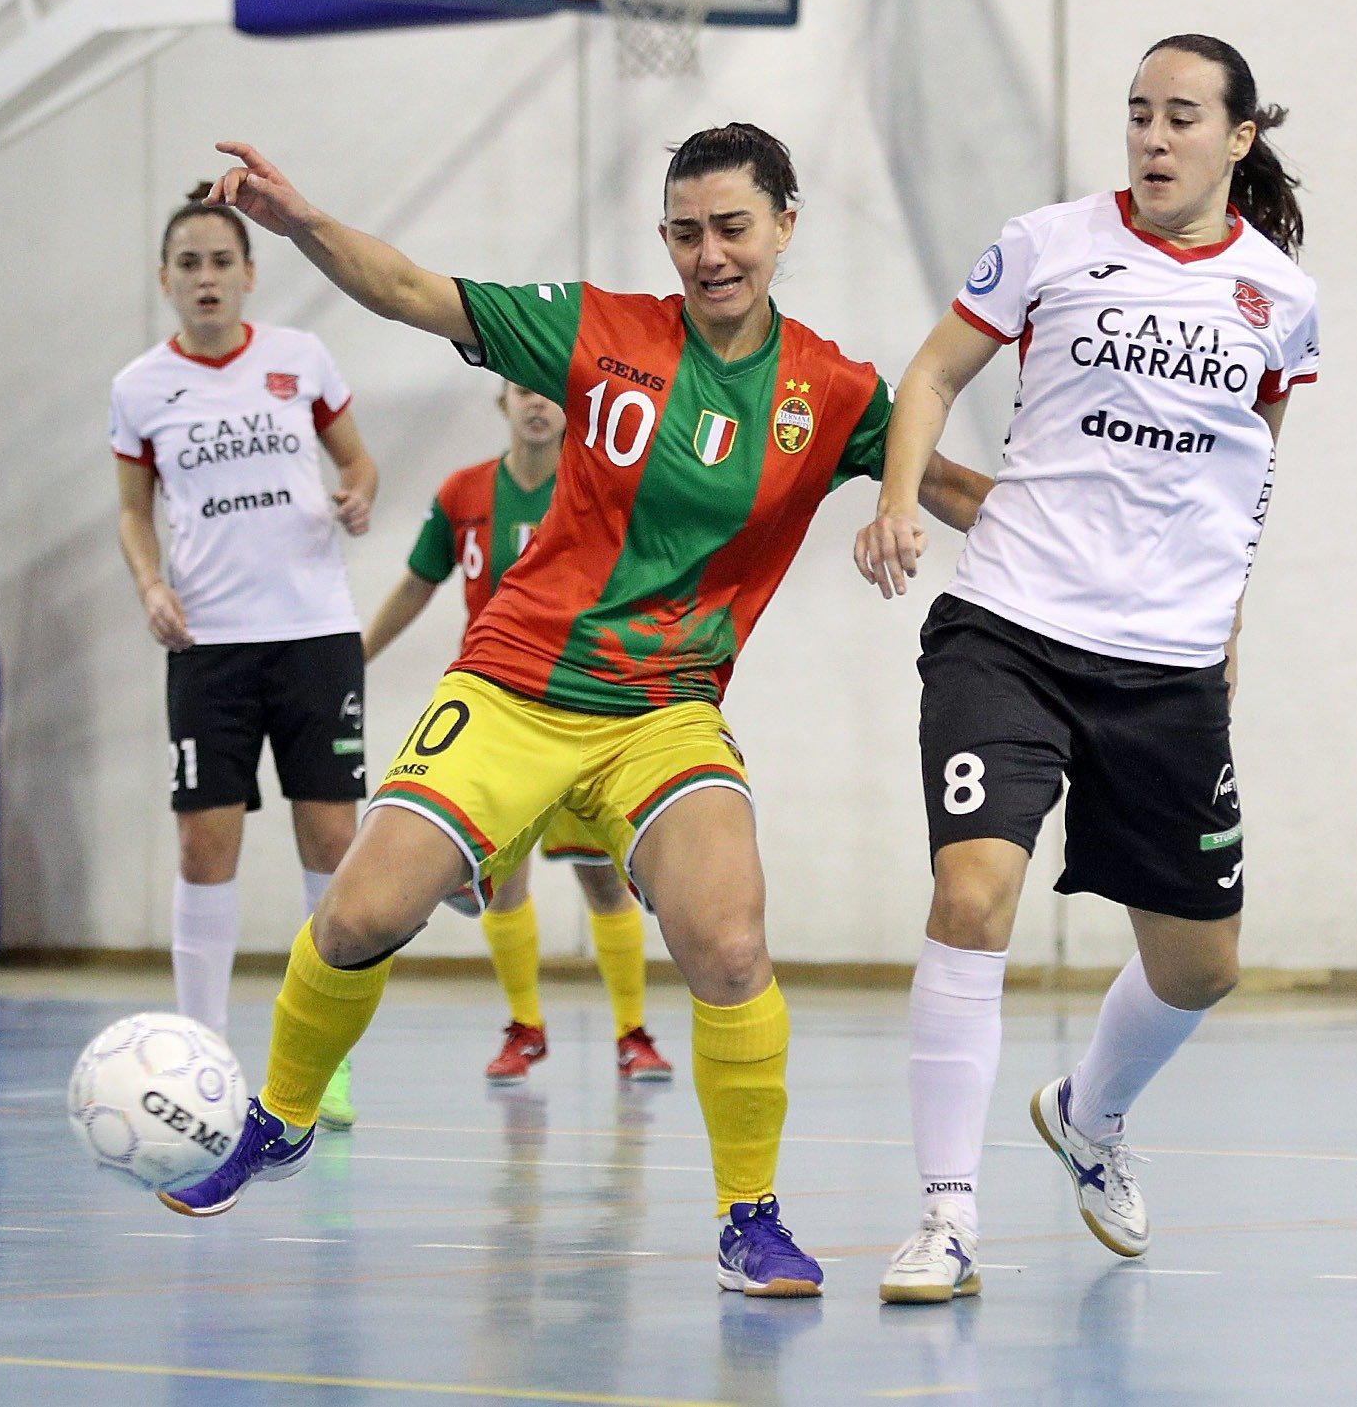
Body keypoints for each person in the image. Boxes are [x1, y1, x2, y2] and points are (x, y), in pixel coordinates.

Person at [158, 124, 992, 1300]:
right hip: (513, 685)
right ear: (665, 239)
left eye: (733, 228)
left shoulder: (827, 389)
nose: (709, 255)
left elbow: (954, 488)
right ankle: (282, 1116)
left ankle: (748, 1217)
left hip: (666, 712)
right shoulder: (599, 330)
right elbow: (405, 289)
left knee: (731, 943)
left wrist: (1113, 544)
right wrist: (296, 223)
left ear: (784, 227)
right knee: (356, 915)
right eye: (687, 232)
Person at [854, 34, 1320, 1303]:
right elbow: (931, 375)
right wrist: (899, 498)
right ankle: (945, 1219)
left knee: (1199, 966)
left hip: (1163, 669)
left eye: (1181, 119)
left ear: (1235, 140)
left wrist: (1225, 627)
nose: (1153, 139)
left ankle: (1087, 1112)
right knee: (973, 896)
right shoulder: (1048, 243)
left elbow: (1248, 474)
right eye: (1136, 116)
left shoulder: (1278, 297)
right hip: (1007, 631)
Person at [111, 185, 381, 1132]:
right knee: (203, 839)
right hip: (210, 644)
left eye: (221, 261)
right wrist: (152, 586)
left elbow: (360, 465)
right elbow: (133, 510)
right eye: (188, 263)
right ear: (166, 280)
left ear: (249, 274)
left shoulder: (299, 361)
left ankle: (324, 1061)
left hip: (312, 633)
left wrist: (357, 493)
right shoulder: (141, 387)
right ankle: (201, 1058)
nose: (207, 277)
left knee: (331, 841)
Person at [363, 381, 674, 1085]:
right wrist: (356, 655)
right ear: (500, 402)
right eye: (521, 389)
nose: (537, 402)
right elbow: (418, 582)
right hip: (500, 716)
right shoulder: (464, 494)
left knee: (605, 882)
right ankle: (525, 1025)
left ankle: (633, 1031)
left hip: (586, 707)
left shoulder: (598, 488)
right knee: (504, 885)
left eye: (549, 392)